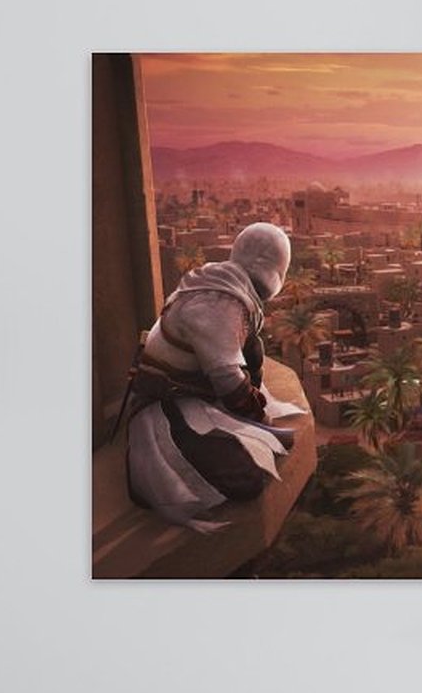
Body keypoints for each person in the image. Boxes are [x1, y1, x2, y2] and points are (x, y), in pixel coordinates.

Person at [123, 223, 297, 530]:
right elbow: (228, 380)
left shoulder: (219, 285)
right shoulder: (219, 303)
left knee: (271, 445)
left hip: (195, 394)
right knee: (247, 479)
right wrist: (259, 415)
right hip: (168, 404)